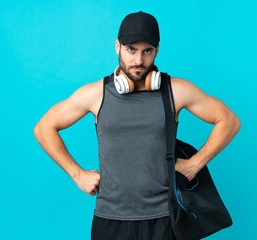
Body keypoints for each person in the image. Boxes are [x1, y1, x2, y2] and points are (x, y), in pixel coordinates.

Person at [33, 11, 241, 240]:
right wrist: (77, 174)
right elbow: (44, 128)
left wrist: (195, 164)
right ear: (117, 47)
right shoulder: (96, 94)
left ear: (156, 51)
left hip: (164, 220)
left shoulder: (176, 91)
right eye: (131, 50)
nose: (139, 61)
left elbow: (229, 120)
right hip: (110, 220)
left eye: (147, 51)